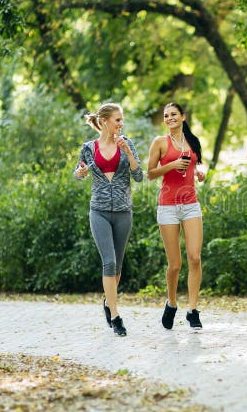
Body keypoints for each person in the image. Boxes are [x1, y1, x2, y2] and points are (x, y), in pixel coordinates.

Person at [74, 103, 144, 336]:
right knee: (109, 262)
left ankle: (108, 301)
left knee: (118, 266)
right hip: (99, 211)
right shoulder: (88, 148)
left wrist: (129, 154)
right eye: (117, 120)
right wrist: (81, 173)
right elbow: (79, 172)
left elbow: (139, 176)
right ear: (104, 121)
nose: (121, 124)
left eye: (121, 120)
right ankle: (116, 316)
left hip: (123, 211)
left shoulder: (127, 144)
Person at [146, 102, 207, 330]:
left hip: (191, 204)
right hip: (168, 206)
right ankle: (171, 303)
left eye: (173, 114)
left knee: (195, 258)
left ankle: (192, 311)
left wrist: (200, 172)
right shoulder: (160, 143)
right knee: (175, 264)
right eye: (166, 115)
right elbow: (150, 174)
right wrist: (171, 164)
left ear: (183, 116)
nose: (169, 118)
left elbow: (200, 164)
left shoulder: (192, 141)